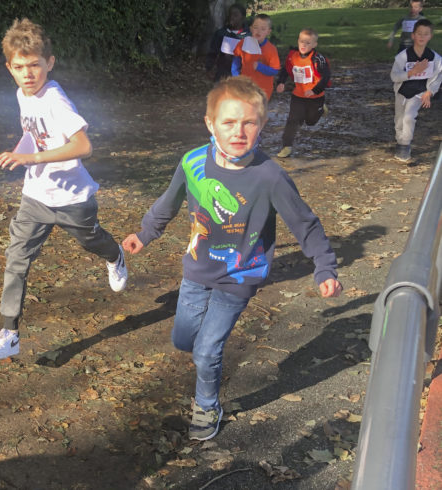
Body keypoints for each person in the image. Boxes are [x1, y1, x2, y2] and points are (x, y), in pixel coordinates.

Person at [122, 76, 342, 441]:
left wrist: (325, 267)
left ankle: (207, 406)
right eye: (228, 122)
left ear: (262, 124)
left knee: (207, 350)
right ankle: (202, 358)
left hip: (239, 276)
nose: (238, 131)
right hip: (197, 269)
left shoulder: (269, 177)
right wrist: (145, 233)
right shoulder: (193, 162)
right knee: (184, 340)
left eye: (248, 122)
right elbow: (169, 201)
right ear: (210, 124)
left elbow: (305, 223)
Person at [0, 18, 128, 360]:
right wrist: (20, 153)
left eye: (35, 65)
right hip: (35, 197)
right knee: (16, 259)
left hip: (73, 199)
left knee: (91, 241)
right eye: (20, 67)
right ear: (9, 68)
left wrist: (31, 157)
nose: (28, 74)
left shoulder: (55, 99)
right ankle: (10, 332)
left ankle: (115, 255)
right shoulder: (22, 94)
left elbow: (83, 146)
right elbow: (35, 133)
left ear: (50, 63)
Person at [390, 19, 442, 162]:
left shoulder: (435, 58)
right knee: (399, 119)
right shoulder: (403, 56)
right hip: (402, 92)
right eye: (419, 33)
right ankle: (400, 141)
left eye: (426, 34)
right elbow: (394, 76)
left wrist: (429, 92)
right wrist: (412, 72)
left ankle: (404, 145)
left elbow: (438, 77)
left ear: (430, 36)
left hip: (419, 93)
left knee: (409, 117)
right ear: (413, 35)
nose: (422, 36)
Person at [275, 28, 331, 158]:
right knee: (293, 120)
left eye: (308, 43)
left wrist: (314, 90)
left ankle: (321, 109)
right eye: (301, 41)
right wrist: (281, 82)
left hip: (316, 96)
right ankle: (287, 146)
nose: (304, 45)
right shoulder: (293, 56)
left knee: (310, 121)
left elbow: (326, 77)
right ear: (298, 41)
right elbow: (286, 70)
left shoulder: (317, 59)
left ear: (314, 45)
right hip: (298, 96)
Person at [231, 13, 280, 100]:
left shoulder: (271, 49)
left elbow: (275, 70)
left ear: (268, 32)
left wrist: (260, 67)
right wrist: (236, 75)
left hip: (263, 90)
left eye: (263, 29)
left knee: (258, 108)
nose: (258, 31)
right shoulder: (243, 43)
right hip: (246, 86)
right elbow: (236, 59)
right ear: (251, 29)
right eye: (256, 27)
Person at [205, 3, 249, 82]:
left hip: (241, 75)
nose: (232, 17)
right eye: (230, 14)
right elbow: (213, 51)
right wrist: (209, 68)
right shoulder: (221, 33)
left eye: (235, 15)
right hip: (222, 73)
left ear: (242, 18)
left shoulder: (248, 36)